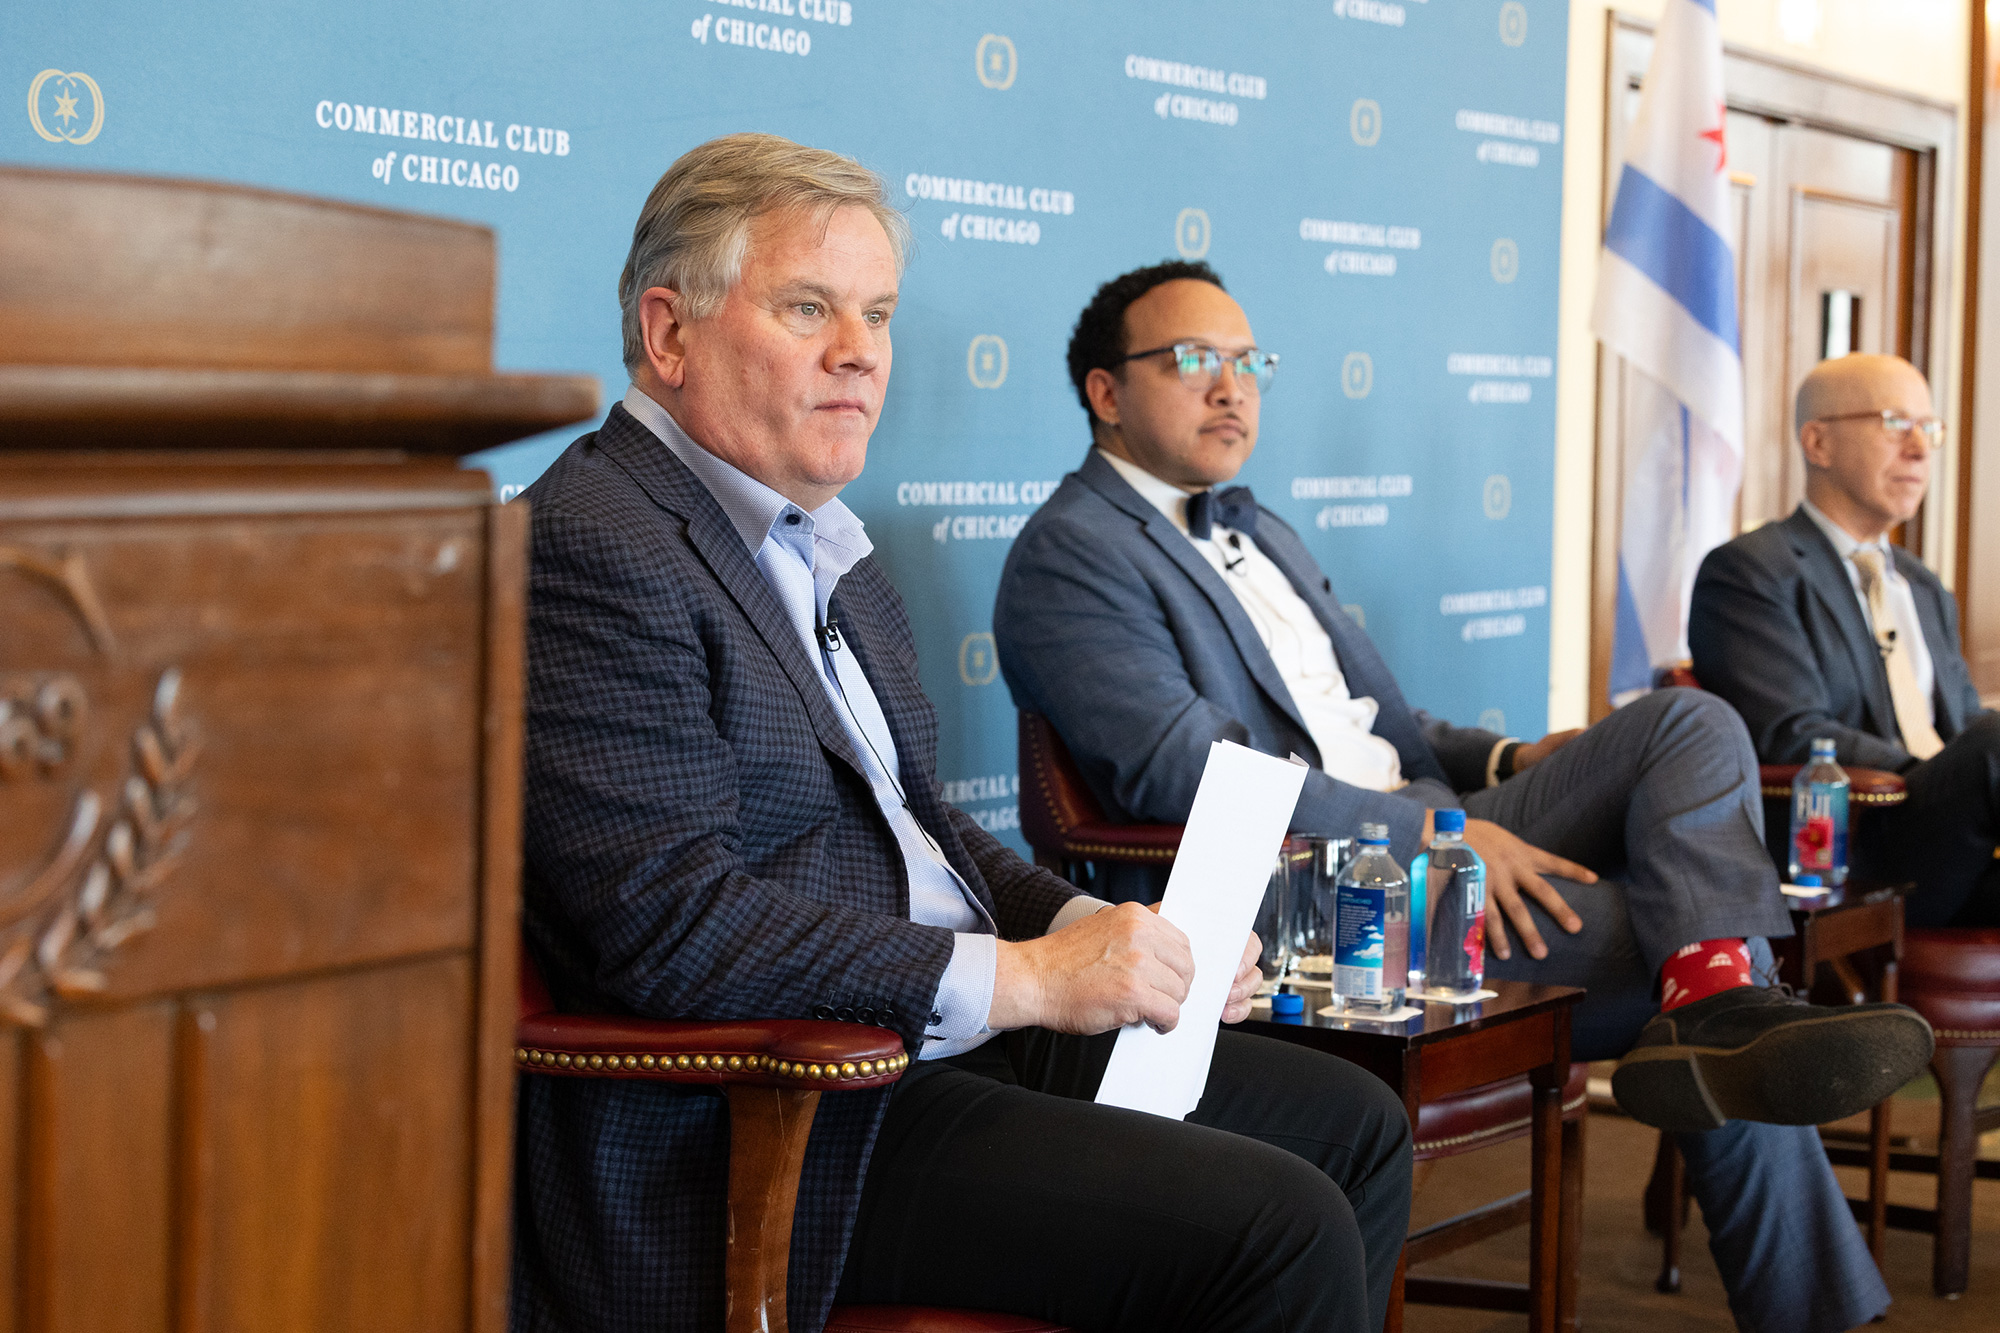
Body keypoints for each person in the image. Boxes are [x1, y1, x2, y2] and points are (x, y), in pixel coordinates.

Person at [513, 136, 1414, 1333]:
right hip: (780, 1114)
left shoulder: (822, 546)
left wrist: (1089, 929)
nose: (859, 351)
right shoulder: (594, 543)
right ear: (669, 334)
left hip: (930, 1041)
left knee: (1355, 1126)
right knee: (1278, 1225)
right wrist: (1028, 978)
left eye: (877, 314)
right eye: (807, 307)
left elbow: (921, 829)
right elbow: (667, 924)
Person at [993, 260, 1935, 1333]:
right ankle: (1742, 1074)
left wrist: (1508, 759)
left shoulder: (1263, 530)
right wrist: (1440, 836)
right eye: (1193, 359)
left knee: (1689, 721)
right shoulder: (1070, 553)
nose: (1231, 386)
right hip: (1313, 895)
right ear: (1106, 392)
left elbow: (1373, 727)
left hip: (1427, 828)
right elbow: (1188, 770)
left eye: (1248, 361)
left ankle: (1714, 997)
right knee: (1691, 957)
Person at [1691, 352, 1998, 928]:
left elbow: (1960, 721)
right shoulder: (1750, 572)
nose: (1919, 449)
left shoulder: (1922, 585)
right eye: (1895, 423)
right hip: (1855, 845)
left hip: (1963, 842)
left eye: (1928, 428)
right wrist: (1944, 775)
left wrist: (1964, 776)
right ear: (1818, 443)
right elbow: (1792, 733)